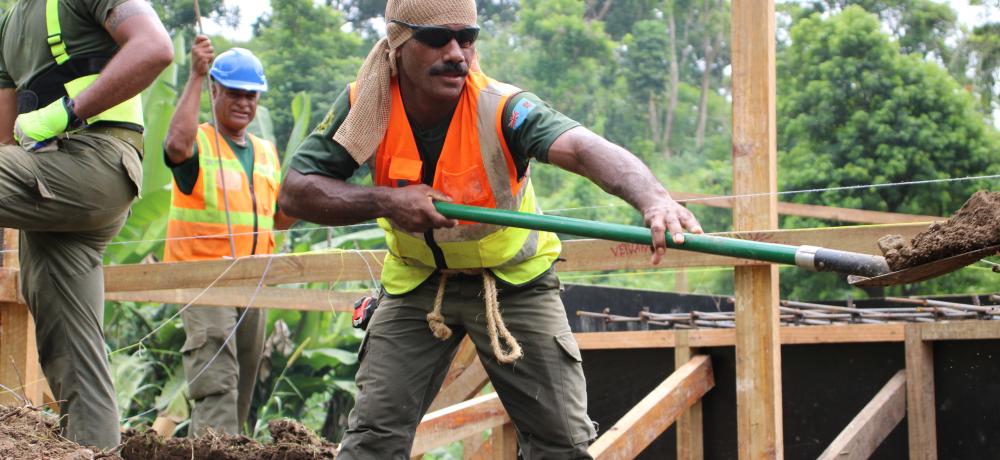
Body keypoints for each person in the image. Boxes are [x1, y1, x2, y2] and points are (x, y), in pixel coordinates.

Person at [279, 0, 703, 458]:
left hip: (515, 283)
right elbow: (295, 192)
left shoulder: (504, 108)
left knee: (562, 445)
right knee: (372, 441)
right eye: (438, 38)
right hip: (417, 284)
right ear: (399, 44)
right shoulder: (368, 103)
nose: (457, 52)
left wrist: (654, 197)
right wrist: (387, 201)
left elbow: (581, 148)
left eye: (467, 37)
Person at [0, 0, 173, 448]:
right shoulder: (7, 22)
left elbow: (155, 48)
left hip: (96, 161)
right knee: (73, 355)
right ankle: (95, 450)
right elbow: (4, 137)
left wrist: (65, 112)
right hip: (48, 185)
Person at [163, 36, 294, 436]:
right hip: (205, 281)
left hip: (252, 283)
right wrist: (196, 76)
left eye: (252, 96)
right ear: (215, 91)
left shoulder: (267, 152)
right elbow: (174, 146)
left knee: (242, 387)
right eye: (235, 93)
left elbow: (280, 219)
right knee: (217, 383)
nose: (244, 103)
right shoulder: (198, 140)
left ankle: (227, 447)